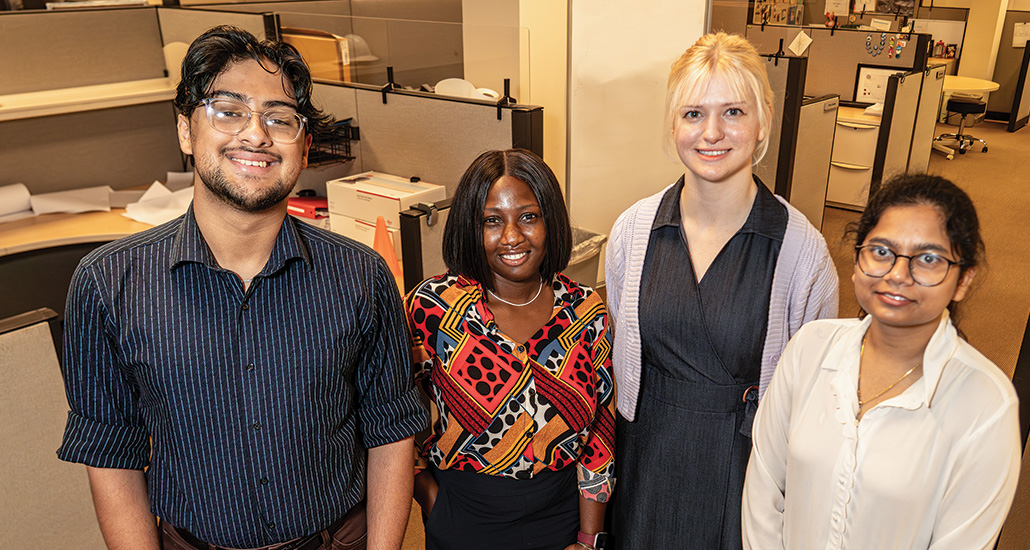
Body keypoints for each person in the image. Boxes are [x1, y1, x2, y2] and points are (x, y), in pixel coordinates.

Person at [57, 26, 427, 550]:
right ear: (186, 129)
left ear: (304, 147)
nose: (256, 135)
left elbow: (391, 431)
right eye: (229, 111)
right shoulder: (106, 285)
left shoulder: (361, 277)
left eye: (280, 119)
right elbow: (111, 452)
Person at [605, 32, 839, 548]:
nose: (711, 132)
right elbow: (620, 358)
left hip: (745, 468)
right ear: (673, 123)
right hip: (645, 458)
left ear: (763, 121)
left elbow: (816, 401)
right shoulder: (633, 232)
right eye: (693, 114)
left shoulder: (803, 253)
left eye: (733, 111)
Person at [742, 174, 1021, 549]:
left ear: (963, 280)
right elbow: (763, 488)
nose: (897, 275)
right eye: (882, 251)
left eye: (928, 259)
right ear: (857, 260)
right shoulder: (810, 347)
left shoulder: (986, 403)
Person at [405, 149, 615, 550]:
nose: (513, 236)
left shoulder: (585, 310)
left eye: (529, 216)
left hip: (561, 520)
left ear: (550, 220)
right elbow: (394, 416)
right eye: (492, 220)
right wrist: (431, 498)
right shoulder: (432, 306)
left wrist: (589, 539)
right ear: (471, 226)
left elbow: (600, 433)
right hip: (463, 519)